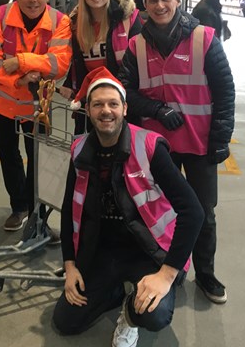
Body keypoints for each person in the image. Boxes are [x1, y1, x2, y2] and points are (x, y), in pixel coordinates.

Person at [52, 66, 204, 346]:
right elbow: (68, 210)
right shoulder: (80, 150)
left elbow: (193, 212)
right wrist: (70, 265)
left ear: (124, 108)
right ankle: (116, 292)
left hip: (147, 251)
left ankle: (130, 318)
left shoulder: (148, 147)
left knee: (153, 316)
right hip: (103, 250)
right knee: (66, 321)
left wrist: (166, 274)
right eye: (97, 104)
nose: (105, 111)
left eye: (113, 104)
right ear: (87, 109)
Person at [118, 0, 235, 305]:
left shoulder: (204, 39)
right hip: (157, 146)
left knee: (203, 212)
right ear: (145, 5)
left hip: (199, 144)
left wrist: (221, 139)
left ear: (178, 1)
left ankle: (206, 274)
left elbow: (225, 92)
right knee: (154, 208)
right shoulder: (136, 46)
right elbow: (124, 91)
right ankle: (160, 265)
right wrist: (154, 107)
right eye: (152, 0)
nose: (159, 5)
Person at [0, 0, 72, 231]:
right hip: (2, 102)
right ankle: (18, 207)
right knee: (9, 155)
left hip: (38, 105)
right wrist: (18, 80)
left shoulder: (60, 21)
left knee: (38, 158)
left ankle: (37, 215)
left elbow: (59, 64)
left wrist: (18, 61)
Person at [58, 0, 142, 134]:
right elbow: (77, 61)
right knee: (84, 151)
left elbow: (139, 63)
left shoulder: (128, 18)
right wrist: (69, 84)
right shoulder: (75, 23)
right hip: (90, 100)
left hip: (121, 100)